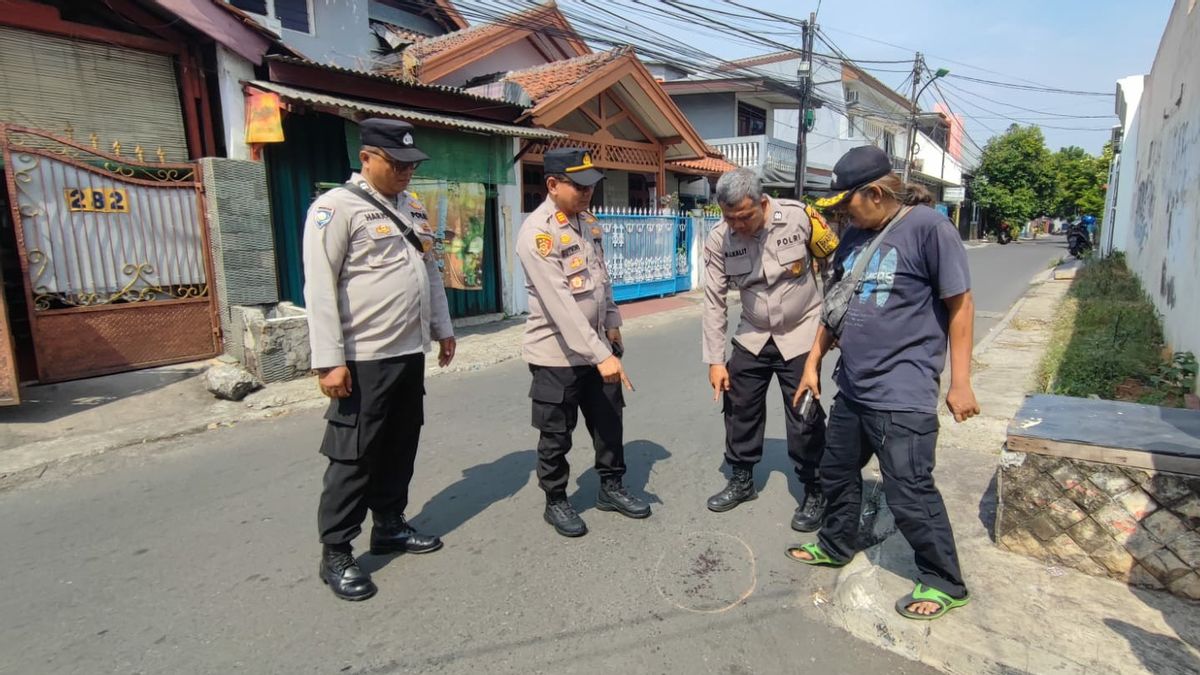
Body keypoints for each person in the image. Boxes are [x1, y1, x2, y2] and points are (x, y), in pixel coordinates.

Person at [787, 145, 980, 621]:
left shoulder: (931, 230)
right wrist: (812, 362)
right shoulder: (854, 235)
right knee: (835, 472)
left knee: (909, 490)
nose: (841, 215)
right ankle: (836, 543)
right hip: (853, 387)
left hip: (902, 392)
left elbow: (961, 305)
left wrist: (961, 382)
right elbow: (836, 306)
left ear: (874, 193)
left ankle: (944, 581)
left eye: (846, 203)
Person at [303, 118, 456, 601]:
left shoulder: (411, 207)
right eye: (398, 164)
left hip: (409, 352)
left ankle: (389, 523)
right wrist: (329, 360)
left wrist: (443, 328)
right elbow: (320, 288)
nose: (408, 172)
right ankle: (337, 552)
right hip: (363, 357)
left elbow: (429, 269)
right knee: (354, 456)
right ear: (367, 157)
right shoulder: (335, 208)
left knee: (400, 445)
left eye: (412, 164)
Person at [516, 147, 649, 538]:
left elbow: (601, 280)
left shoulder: (588, 223)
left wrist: (612, 322)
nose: (588, 193)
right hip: (555, 353)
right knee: (556, 430)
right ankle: (555, 499)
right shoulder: (538, 233)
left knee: (609, 419)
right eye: (580, 186)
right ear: (553, 184)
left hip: (597, 347)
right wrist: (600, 355)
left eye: (592, 185)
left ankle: (611, 487)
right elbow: (561, 304)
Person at [701, 167, 834, 532]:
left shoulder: (798, 217)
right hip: (754, 334)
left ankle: (814, 489)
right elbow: (713, 301)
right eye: (730, 218)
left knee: (804, 414)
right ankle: (741, 479)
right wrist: (715, 361)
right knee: (739, 407)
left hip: (802, 332)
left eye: (744, 216)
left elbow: (833, 266)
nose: (737, 225)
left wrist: (831, 327)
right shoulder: (718, 239)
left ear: (762, 202)